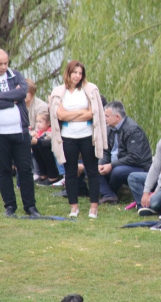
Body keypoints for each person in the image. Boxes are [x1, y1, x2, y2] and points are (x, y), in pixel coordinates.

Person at [0, 48, 40, 218]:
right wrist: (11, 101)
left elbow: (22, 92)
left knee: (25, 169)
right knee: (3, 170)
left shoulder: (16, 75)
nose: (4, 67)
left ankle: (30, 207)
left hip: (20, 132)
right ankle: (10, 206)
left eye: (6, 63)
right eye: (0, 64)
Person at [49, 60, 107, 218]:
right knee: (70, 172)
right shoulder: (60, 92)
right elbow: (59, 115)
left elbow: (92, 113)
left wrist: (71, 115)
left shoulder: (89, 90)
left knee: (92, 171)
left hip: (87, 135)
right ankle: (74, 207)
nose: (77, 76)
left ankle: (93, 208)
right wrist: (80, 112)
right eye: (74, 72)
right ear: (68, 73)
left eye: (80, 73)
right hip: (68, 137)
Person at [127, 112, 161, 216]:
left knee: (155, 201)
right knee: (133, 177)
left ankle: (153, 206)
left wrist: (155, 192)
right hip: (160, 179)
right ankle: (143, 205)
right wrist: (146, 192)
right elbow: (155, 168)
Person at [98, 101, 152, 204]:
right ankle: (109, 195)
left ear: (117, 117)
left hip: (138, 167)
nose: (104, 119)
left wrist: (111, 165)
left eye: (107, 116)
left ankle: (109, 191)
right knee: (91, 165)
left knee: (117, 171)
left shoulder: (133, 130)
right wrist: (101, 164)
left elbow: (134, 157)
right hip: (116, 163)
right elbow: (106, 151)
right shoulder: (109, 128)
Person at [30, 112, 61, 187]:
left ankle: (52, 176)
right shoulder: (40, 131)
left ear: (48, 123)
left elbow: (49, 142)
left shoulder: (50, 131)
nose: (38, 124)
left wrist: (37, 140)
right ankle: (43, 174)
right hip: (43, 150)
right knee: (35, 146)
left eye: (40, 122)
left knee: (41, 145)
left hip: (52, 151)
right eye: (37, 122)